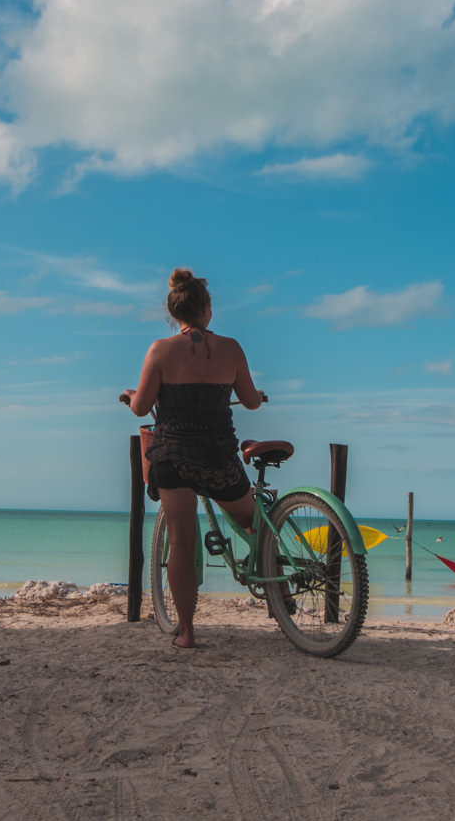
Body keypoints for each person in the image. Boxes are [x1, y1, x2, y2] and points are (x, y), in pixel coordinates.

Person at [120, 268, 265, 649]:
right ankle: (280, 595)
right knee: (257, 526)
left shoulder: (159, 350)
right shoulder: (231, 349)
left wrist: (131, 396)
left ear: (175, 314)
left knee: (182, 543)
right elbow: (250, 401)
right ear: (207, 310)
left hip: (174, 456)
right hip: (218, 456)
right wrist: (257, 394)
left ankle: (186, 631)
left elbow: (141, 409)